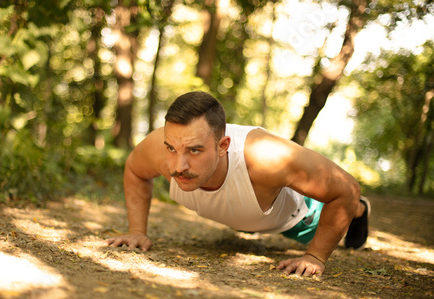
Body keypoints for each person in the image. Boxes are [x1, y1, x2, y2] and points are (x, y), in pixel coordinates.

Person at [106, 91, 370, 277]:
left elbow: (346, 189)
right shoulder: (159, 148)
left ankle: (360, 211)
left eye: (195, 151)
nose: (178, 166)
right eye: (171, 149)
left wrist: (315, 257)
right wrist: (137, 230)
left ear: (223, 146)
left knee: (343, 207)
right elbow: (134, 170)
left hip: (299, 217)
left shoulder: (267, 157)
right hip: (244, 213)